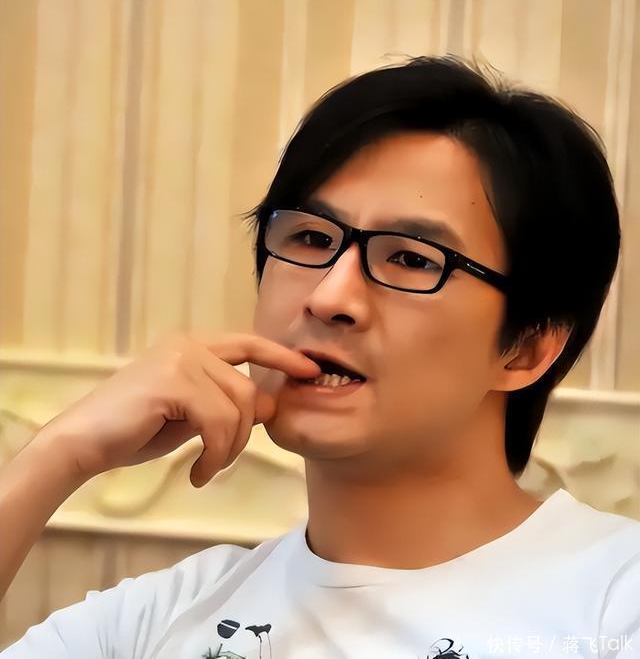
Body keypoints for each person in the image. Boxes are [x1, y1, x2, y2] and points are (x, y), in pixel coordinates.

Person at [0, 55, 637, 659]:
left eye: (411, 258)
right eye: (309, 237)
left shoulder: (613, 602)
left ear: (526, 348)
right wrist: (61, 454)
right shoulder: (160, 620)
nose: (330, 297)